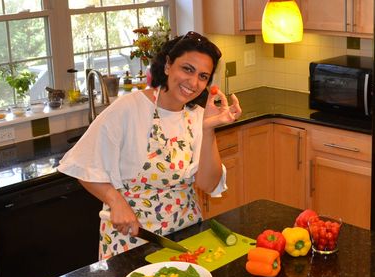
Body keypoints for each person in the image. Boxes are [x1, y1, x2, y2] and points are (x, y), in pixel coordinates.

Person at [58, 31, 242, 260]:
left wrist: (207, 129)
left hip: (184, 236)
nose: (194, 82)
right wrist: (115, 201)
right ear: (167, 65)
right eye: (187, 69)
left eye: (203, 76)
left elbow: (208, 183)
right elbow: (82, 164)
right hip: (130, 238)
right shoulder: (128, 109)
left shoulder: (198, 116)